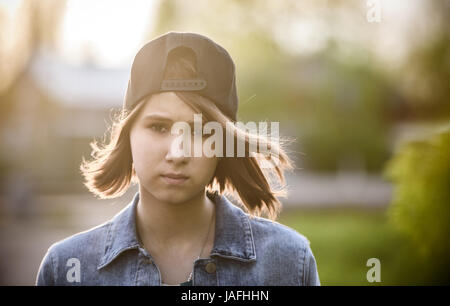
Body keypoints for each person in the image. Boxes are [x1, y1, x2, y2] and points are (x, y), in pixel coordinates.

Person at [36, 31, 320, 286]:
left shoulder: (288, 263)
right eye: (158, 127)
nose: (178, 153)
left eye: (198, 132)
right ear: (127, 135)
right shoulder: (66, 268)